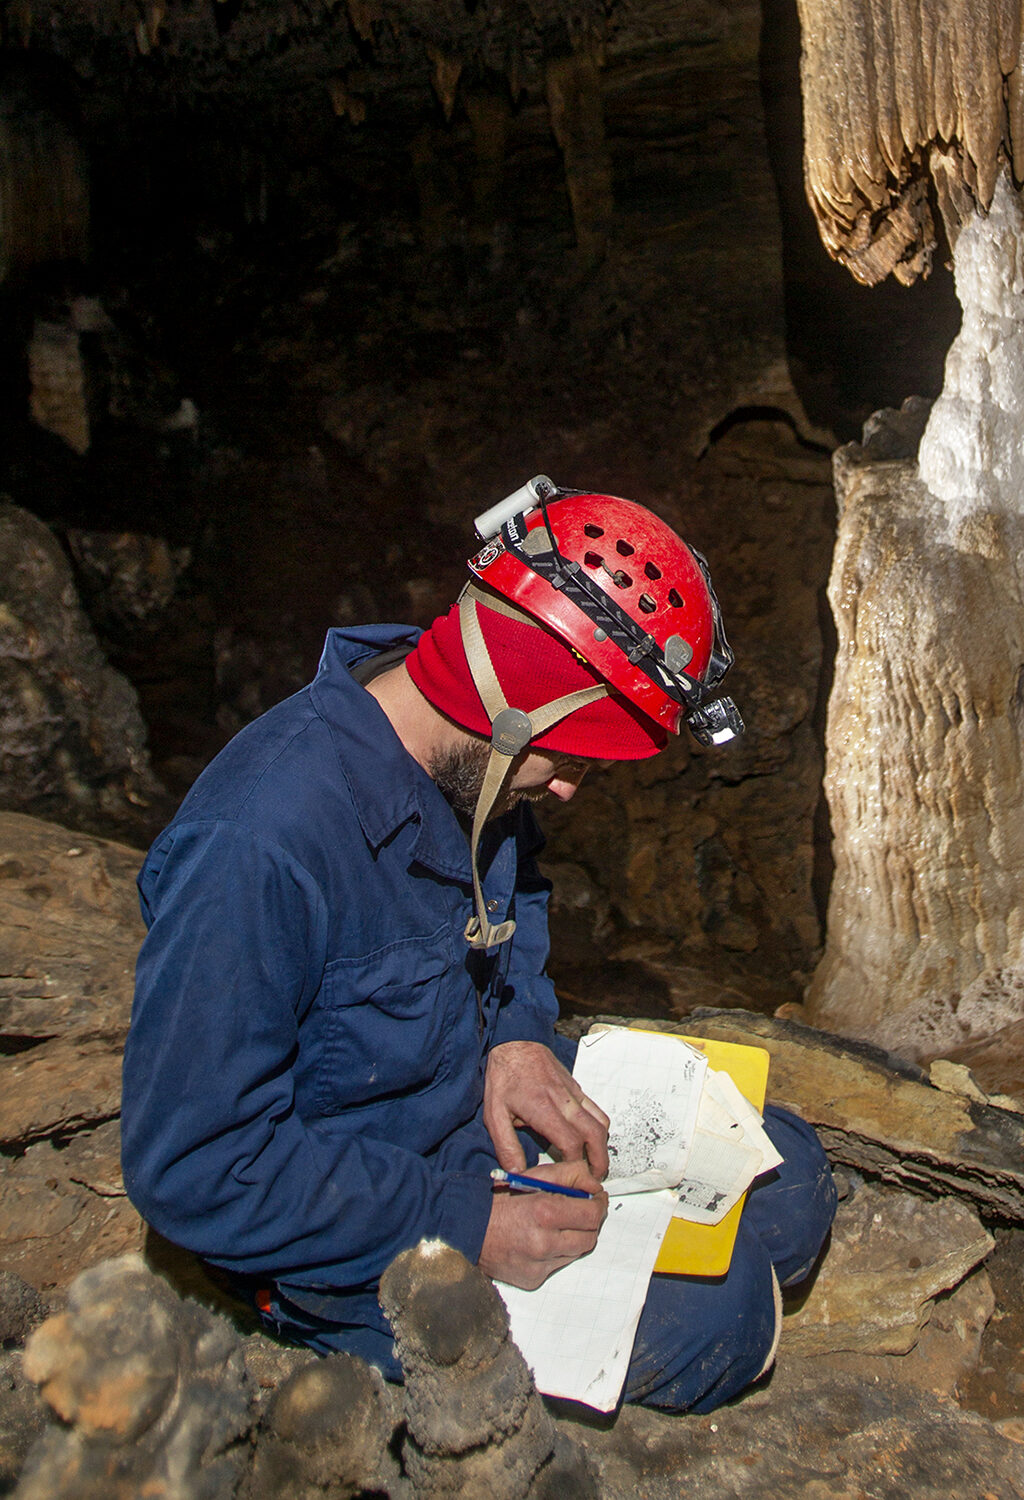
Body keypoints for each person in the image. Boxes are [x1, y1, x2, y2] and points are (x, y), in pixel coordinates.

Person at [120, 478, 837, 1413]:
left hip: (462, 1096)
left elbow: (517, 891)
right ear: (512, 702)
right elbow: (196, 1165)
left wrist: (518, 1036)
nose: (569, 789)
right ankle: (308, 1323)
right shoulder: (258, 846)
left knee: (789, 1178)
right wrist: (465, 1226)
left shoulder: (472, 755)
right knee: (722, 1317)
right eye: (571, 759)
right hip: (349, 1196)